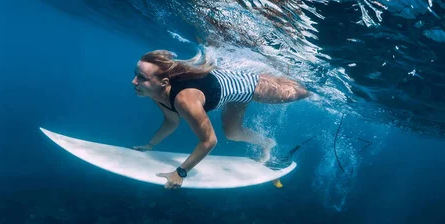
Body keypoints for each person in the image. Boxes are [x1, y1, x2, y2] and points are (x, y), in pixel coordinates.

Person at [131, 49, 315, 189]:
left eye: (141, 78)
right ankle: (268, 143)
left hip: (249, 86)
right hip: (227, 89)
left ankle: (315, 84)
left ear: (164, 82)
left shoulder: (184, 100)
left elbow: (209, 141)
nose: (134, 82)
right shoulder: (155, 92)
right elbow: (171, 121)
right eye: (136, 74)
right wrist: (150, 145)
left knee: (302, 92)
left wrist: (181, 172)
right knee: (233, 133)